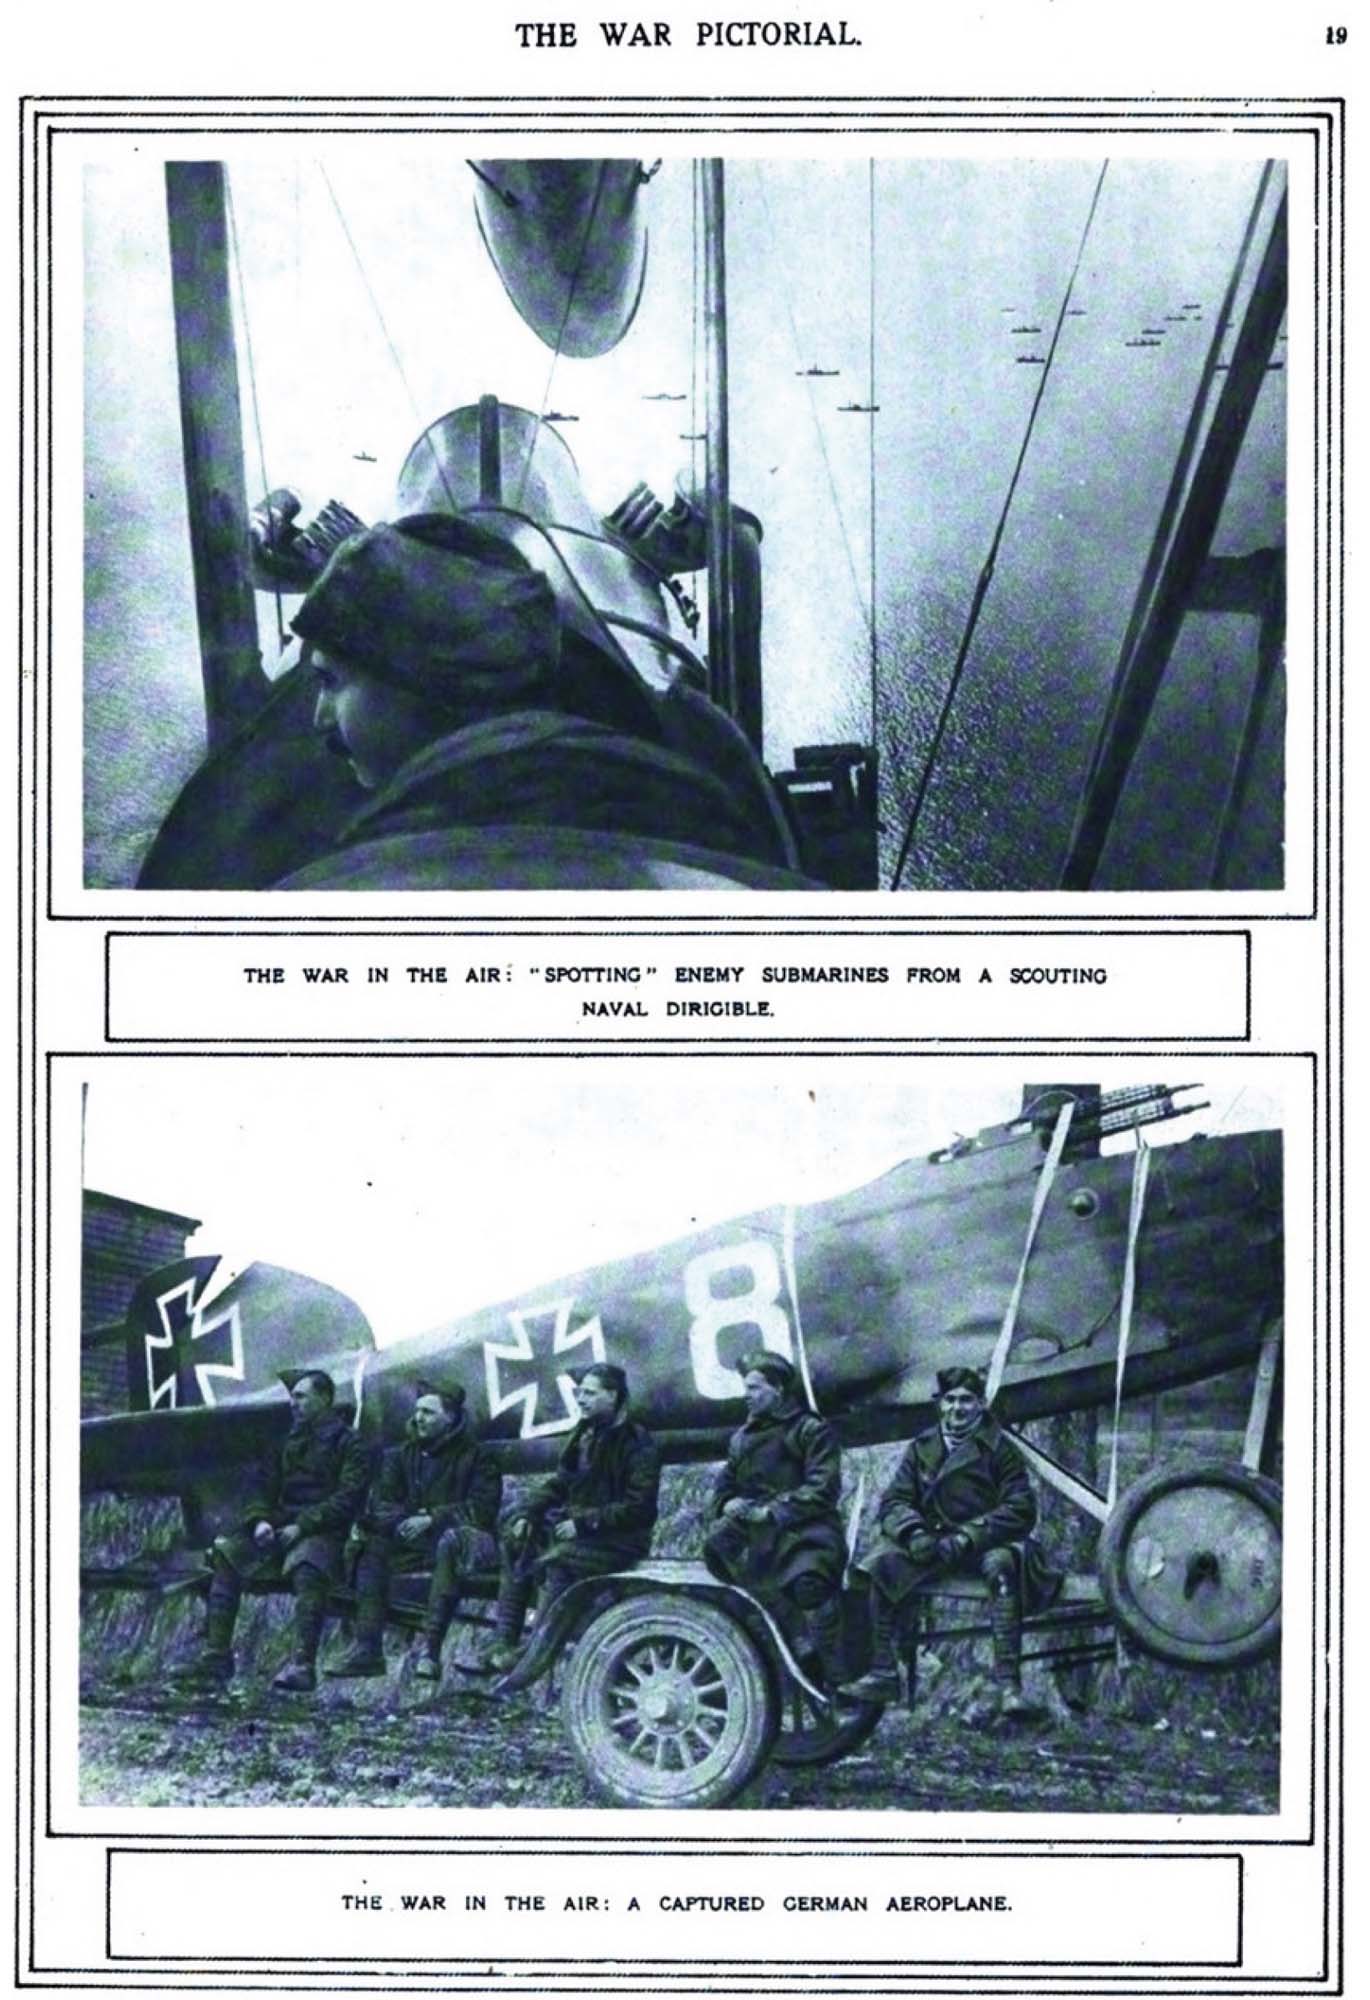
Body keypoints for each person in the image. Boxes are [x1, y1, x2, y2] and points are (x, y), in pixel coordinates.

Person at [276, 512, 810, 891]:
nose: (320, 717)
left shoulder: (363, 871)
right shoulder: (694, 807)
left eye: (333, 682)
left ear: (417, 680)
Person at [842, 1366, 1058, 1711]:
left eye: (967, 1401)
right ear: (940, 1404)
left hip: (983, 1543)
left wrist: (968, 1537)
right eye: (951, 1400)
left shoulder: (1000, 1448)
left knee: (1002, 1566)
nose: (958, 1409)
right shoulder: (922, 1446)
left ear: (981, 1405)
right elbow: (894, 1501)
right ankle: (883, 1671)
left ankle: (1009, 1687)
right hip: (932, 1544)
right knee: (878, 1565)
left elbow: (1020, 1508)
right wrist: (913, 1532)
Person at [178, 1370, 371, 1693]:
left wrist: (303, 1525)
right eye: (292, 1397)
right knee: (228, 1553)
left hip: (324, 1530)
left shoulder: (349, 1443)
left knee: (308, 1566)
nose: (293, 1404)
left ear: (324, 1399)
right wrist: (260, 1521)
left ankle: (302, 1665)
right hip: (280, 1527)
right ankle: (217, 1655)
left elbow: (348, 1498)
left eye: (301, 1396)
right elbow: (261, 1487)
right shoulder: (285, 1441)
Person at [486, 1364, 661, 1673]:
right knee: (517, 1541)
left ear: (613, 1395)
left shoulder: (637, 1443)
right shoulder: (584, 1434)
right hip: (582, 1535)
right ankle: (502, 1642)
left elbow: (640, 1508)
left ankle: (534, 1652)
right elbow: (560, 1483)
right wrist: (528, 1512)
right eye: (579, 1393)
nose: (581, 1399)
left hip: (619, 1541)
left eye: (590, 1393)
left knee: (559, 1560)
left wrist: (584, 1522)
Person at [328, 1381, 502, 1683]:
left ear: (450, 1418)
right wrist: (406, 1522)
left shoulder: (477, 1457)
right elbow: (384, 1506)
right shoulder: (400, 1457)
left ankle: (430, 1654)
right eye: (417, 1411)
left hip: (457, 1544)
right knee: (372, 1548)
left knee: (449, 1546)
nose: (419, 1418)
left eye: (429, 1413)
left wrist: (433, 1519)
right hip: (410, 1543)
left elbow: (482, 1510)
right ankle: (367, 1649)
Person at [702, 1354, 848, 1689]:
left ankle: (836, 1679)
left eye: (755, 1387)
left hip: (806, 1529)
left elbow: (823, 1488)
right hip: (755, 1531)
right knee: (717, 1550)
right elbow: (725, 1484)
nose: (746, 1394)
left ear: (778, 1389)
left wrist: (772, 1511)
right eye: (746, 1388)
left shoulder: (810, 1429)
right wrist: (728, 1504)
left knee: (808, 1583)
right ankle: (790, 1635)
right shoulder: (742, 1437)